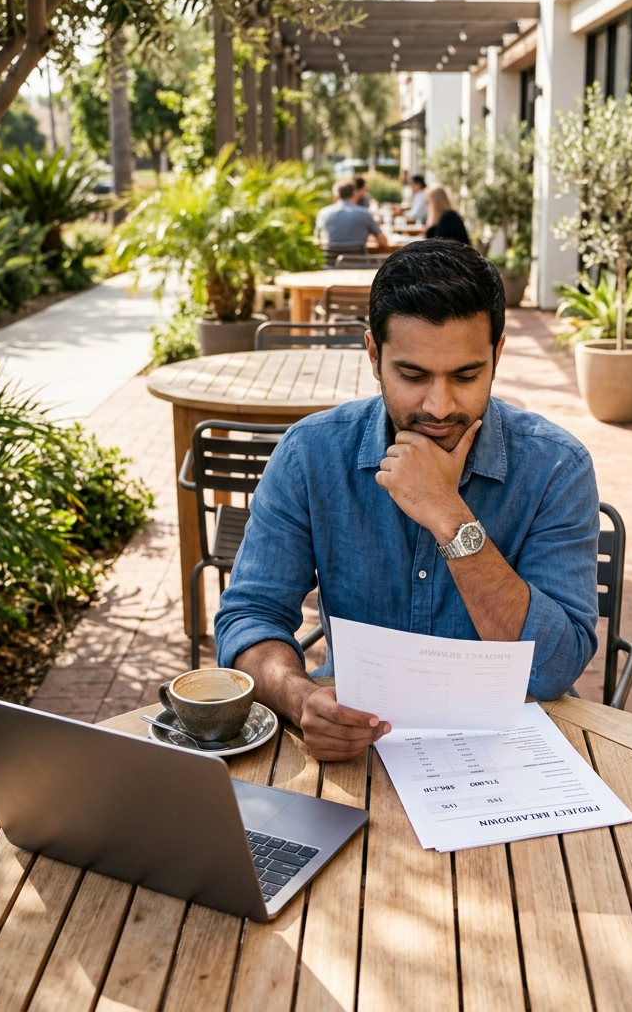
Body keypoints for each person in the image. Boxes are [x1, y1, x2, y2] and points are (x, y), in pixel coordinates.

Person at [214, 239, 600, 762]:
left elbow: (556, 668)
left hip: (513, 750)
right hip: (358, 746)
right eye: (413, 376)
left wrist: (449, 515)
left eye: (466, 375)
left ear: (497, 354)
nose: (439, 406)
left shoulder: (556, 467)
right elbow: (250, 617)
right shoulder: (311, 454)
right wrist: (297, 695)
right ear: (374, 355)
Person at [315, 180, 387, 252]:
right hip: (359, 262)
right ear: (355, 194)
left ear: (335, 196)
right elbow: (384, 242)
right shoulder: (365, 214)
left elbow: (317, 240)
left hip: (329, 262)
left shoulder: (323, 213)